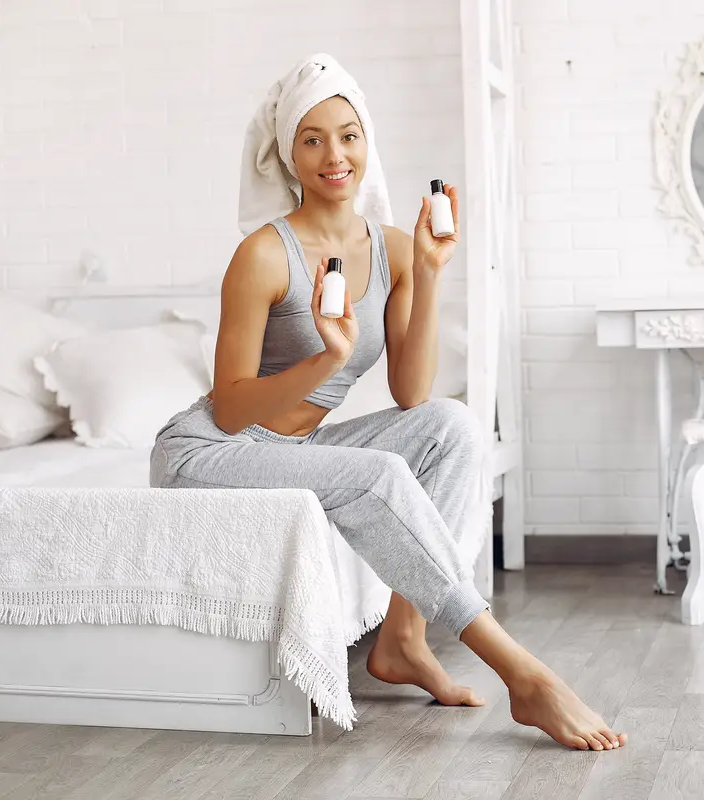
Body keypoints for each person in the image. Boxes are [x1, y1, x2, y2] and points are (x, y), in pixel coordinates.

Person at [150, 54, 625, 752]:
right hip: (207, 452)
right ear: (289, 153)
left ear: (368, 142)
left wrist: (428, 276)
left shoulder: (396, 247)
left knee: (455, 427)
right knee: (379, 475)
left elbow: (410, 393)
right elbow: (228, 409)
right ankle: (524, 674)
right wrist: (326, 359)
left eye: (348, 134)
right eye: (312, 138)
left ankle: (403, 639)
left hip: (297, 448)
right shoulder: (263, 254)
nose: (334, 155)